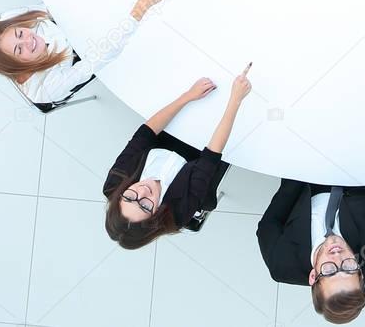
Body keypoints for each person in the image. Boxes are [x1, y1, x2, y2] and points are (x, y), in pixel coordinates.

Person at [256, 54, 365, 324]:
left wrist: (299, 165)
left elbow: (270, 224)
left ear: (313, 277)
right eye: (348, 267)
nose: (338, 257)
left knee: (301, 97)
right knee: (348, 95)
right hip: (355, 174)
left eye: (330, 270)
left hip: (303, 179)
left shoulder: (281, 263)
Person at [103, 64, 253, 248]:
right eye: (145, 206)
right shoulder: (178, 212)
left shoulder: (115, 183)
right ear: (156, 215)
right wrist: (235, 99)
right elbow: (211, 156)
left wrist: (188, 96)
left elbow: (145, 134)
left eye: (129, 197)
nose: (142, 191)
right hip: (201, 157)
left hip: (170, 134)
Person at [0, 0, 170, 109]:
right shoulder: (47, 89)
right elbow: (101, 56)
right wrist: (141, 7)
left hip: (77, 25)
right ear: (16, 67)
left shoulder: (9, 18)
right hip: (87, 53)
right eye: (19, 50)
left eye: (20, 34)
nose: (28, 40)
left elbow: (58, 4)